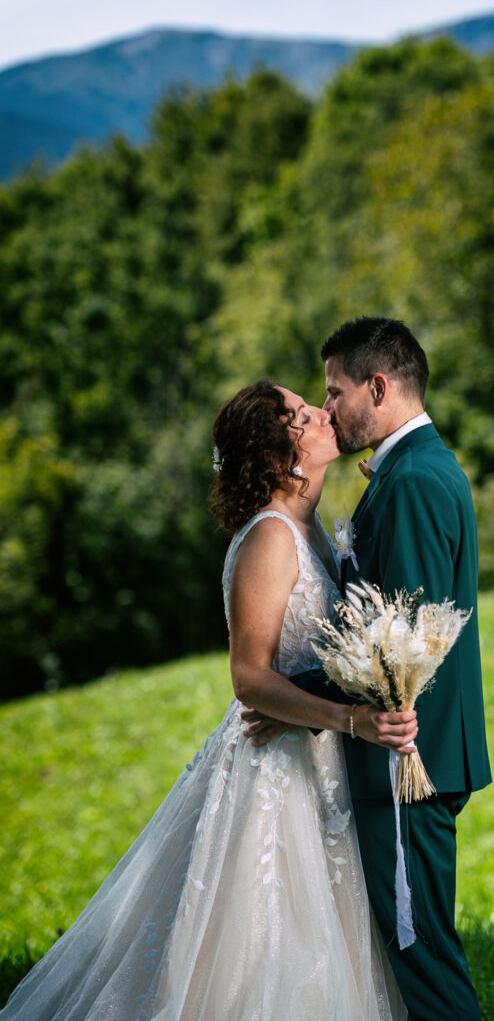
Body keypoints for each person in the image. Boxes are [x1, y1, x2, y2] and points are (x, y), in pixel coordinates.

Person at [0, 379, 417, 1021]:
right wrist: (351, 720)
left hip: (322, 766)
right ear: (283, 460)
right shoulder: (270, 538)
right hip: (278, 769)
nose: (323, 412)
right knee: (269, 938)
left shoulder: (312, 533)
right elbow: (249, 678)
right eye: (305, 415)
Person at [274, 317, 492, 1021]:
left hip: (406, 759)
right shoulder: (410, 470)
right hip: (405, 753)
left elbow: (401, 643)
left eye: (335, 391)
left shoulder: (414, 482)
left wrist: (284, 694)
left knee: (423, 961)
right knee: (409, 956)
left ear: (378, 384)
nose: (327, 407)